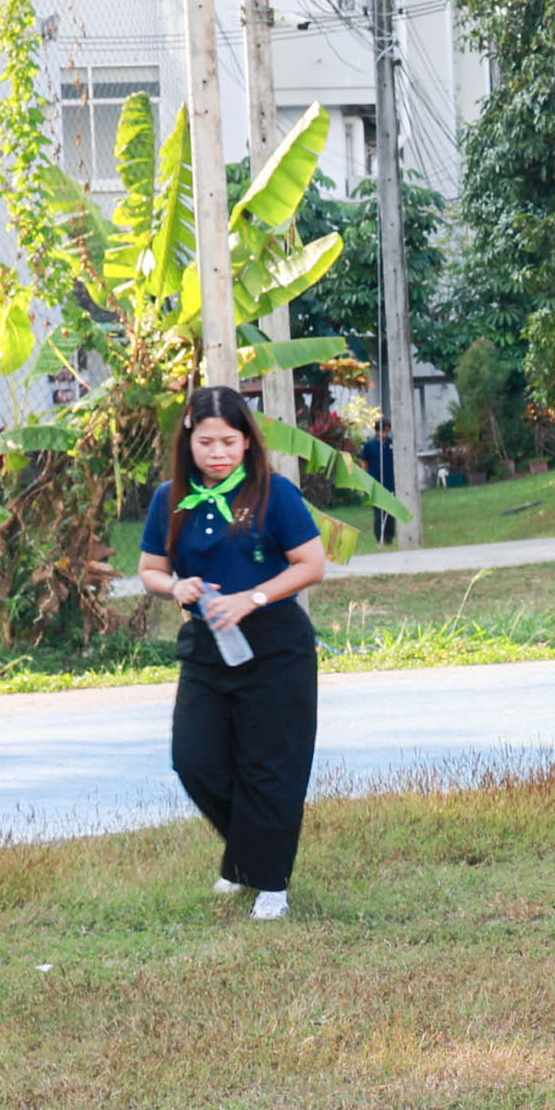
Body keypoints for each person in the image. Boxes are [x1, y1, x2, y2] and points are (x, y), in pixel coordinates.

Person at [136, 384, 332, 920]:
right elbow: (151, 570)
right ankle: (250, 854)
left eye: (228, 441)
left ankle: (269, 881)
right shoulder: (169, 498)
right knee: (194, 759)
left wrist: (253, 598)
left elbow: (311, 564)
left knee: (269, 765)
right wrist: (174, 586)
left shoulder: (274, 494)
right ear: (188, 442)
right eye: (206, 443)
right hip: (208, 645)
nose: (217, 453)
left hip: (277, 647)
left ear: (247, 441)